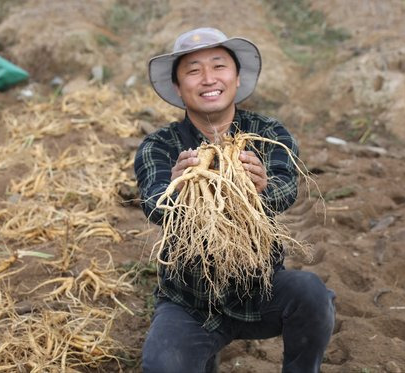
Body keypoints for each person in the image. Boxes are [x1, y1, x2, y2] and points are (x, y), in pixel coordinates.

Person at [134, 27, 335, 373]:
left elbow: (286, 189)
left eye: (219, 66)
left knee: (311, 294)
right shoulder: (160, 145)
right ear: (179, 89)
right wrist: (177, 189)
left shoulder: (269, 133)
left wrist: (261, 188)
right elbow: (154, 204)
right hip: (190, 299)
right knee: (163, 366)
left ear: (237, 78)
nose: (208, 78)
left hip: (261, 289)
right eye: (193, 71)